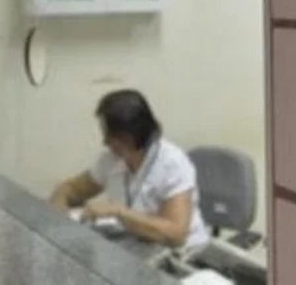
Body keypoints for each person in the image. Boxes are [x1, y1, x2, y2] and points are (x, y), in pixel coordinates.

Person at [49, 90, 209, 250]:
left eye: (109, 135)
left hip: (181, 254)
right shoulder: (111, 159)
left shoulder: (172, 164)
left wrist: (119, 212)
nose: (105, 142)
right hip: (135, 248)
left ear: (128, 137)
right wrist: (59, 219)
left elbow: (175, 235)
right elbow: (69, 190)